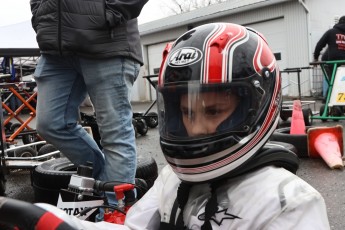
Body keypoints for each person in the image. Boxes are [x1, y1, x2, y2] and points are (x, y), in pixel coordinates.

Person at [123, 22, 330, 229]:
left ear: (255, 107)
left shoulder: (288, 202)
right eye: (187, 112)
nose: (195, 129)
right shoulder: (170, 179)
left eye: (213, 111)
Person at [29, 0, 148, 199]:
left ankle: (113, 214)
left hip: (106, 41)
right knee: (50, 124)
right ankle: (106, 186)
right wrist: (41, 15)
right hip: (56, 49)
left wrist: (109, 11)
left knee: (114, 136)